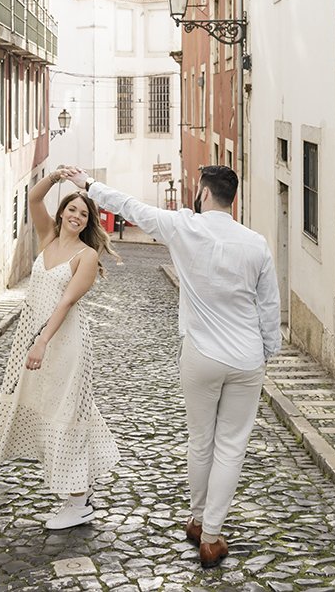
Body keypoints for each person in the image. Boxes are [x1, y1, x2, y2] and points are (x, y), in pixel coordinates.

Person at [67, 164, 281, 570]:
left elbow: (131, 207)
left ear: (202, 194)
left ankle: (200, 521)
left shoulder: (184, 227)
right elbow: (268, 306)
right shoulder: (256, 244)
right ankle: (212, 535)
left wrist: (89, 185)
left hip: (201, 354)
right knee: (231, 446)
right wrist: (267, 352)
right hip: (247, 357)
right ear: (232, 199)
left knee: (201, 441)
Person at [0, 166, 121, 530]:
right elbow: (32, 197)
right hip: (33, 337)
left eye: (84, 214)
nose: (76, 217)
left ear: (89, 221)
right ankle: (81, 489)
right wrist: (57, 176)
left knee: (68, 413)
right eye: (72, 210)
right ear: (61, 213)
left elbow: (64, 304)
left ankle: (77, 502)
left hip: (63, 344)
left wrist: (42, 342)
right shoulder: (47, 238)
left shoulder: (86, 257)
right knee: (52, 409)